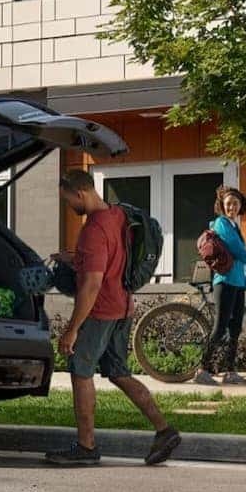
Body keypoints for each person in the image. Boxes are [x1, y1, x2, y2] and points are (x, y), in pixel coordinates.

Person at [47, 170, 180, 466]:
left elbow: (92, 285)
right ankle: (165, 430)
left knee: (80, 372)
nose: (70, 206)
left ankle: (86, 447)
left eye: (68, 199)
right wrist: (74, 258)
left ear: (79, 193)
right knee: (119, 372)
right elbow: (110, 258)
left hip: (100, 311)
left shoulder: (93, 229)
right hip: (123, 307)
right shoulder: (118, 214)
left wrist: (72, 329)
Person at [195, 186, 246, 386]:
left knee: (235, 328)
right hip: (225, 282)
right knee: (220, 327)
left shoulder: (234, 226)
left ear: (240, 206)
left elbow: (241, 258)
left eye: (235, 203)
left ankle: (230, 372)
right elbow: (239, 253)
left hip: (237, 282)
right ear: (222, 205)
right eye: (228, 203)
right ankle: (202, 370)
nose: (232, 207)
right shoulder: (222, 224)